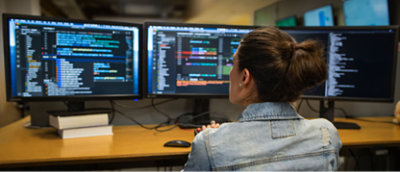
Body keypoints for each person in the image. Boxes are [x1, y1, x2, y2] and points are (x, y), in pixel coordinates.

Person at [183, 27, 342, 171]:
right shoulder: (326, 133)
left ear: (245, 77)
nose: (230, 72)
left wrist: (213, 140)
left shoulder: (208, 143)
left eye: (233, 64)